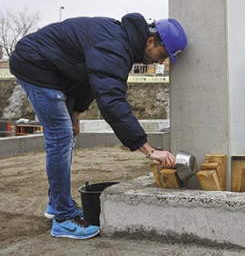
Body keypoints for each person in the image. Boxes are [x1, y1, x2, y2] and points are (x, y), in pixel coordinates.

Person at [9, 13, 187, 240]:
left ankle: (57, 204)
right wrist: (149, 150)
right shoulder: (115, 46)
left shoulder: (120, 41)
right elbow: (111, 102)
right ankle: (63, 218)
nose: (160, 62)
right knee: (60, 137)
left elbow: (87, 78)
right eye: (162, 55)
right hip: (35, 65)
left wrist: (76, 112)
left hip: (54, 70)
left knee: (67, 135)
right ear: (151, 41)